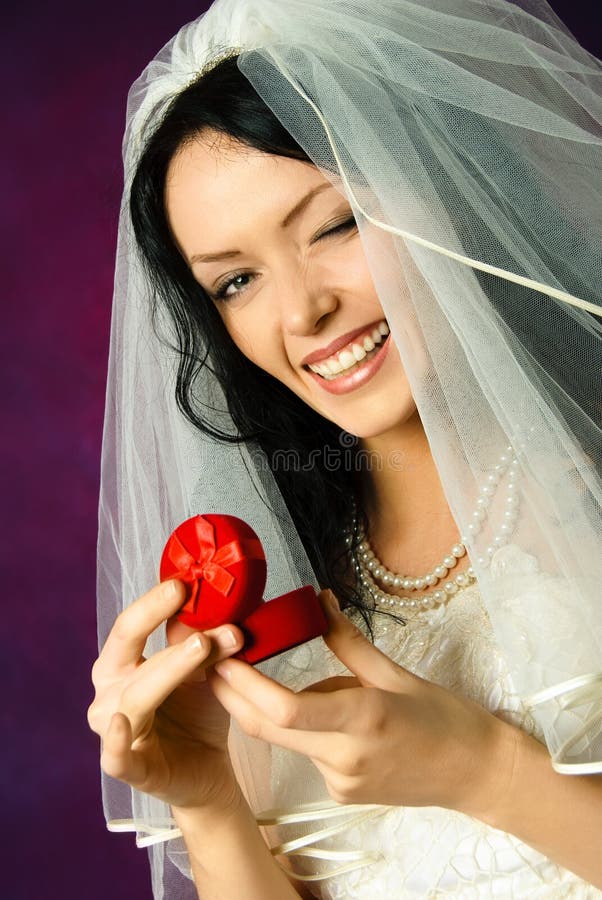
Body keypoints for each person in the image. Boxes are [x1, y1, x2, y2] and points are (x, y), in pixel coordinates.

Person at [88, 1, 602, 897]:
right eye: (236, 280)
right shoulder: (277, 597)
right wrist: (208, 800)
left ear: (450, 184)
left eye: (335, 225)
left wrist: (489, 774)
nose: (299, 313)